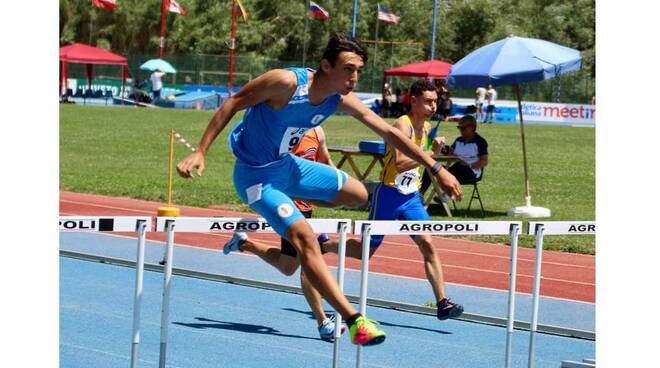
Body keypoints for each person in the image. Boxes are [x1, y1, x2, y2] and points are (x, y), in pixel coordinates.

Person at [175, 32, 463, 347]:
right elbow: (233, 102)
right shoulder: (285, 83)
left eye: (358, 71)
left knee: (359, 196)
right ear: (326, 65)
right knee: (305, 240)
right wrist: (201, 150)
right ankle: (355, 321)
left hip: (287, 168)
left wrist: (435, 168)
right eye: (348, 69)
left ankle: (294, 215)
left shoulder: (339, 98)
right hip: (256, 177)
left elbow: (386, 130)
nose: (354, 78)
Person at [321, 79, 464, 320]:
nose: (433, 106)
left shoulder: (427, 127)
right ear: (414, 100)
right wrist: (432, 155)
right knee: (366, 251)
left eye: (435, 102)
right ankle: (324, 245)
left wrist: (434, 151)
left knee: (427, 243)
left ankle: (442, 302)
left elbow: (419, 164)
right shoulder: (402, 124)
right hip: (388, 195)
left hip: (411, 198)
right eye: (428, 101)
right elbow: (400, 163)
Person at [222, 127, 347, 341]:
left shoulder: (318, 132)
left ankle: (243, 244)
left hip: (306, 207)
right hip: (287, 208)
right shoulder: (287, 130)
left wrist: (341, 186)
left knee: (287, 266)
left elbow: (326, 163)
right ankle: (323, 322)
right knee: (310, 263)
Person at [446, 114, 489, 184]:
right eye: (459, 128)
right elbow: (450, 154)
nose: (460, 130)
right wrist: (444, 150)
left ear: (472, 127)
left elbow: (484, 161)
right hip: (457, 169)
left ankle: (447, 194)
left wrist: (469, 165)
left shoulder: (480, 141)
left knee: (457, 167)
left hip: (472, 172)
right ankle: (422, 193)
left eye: (463, 128)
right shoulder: (458, 140)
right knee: (432, 167)